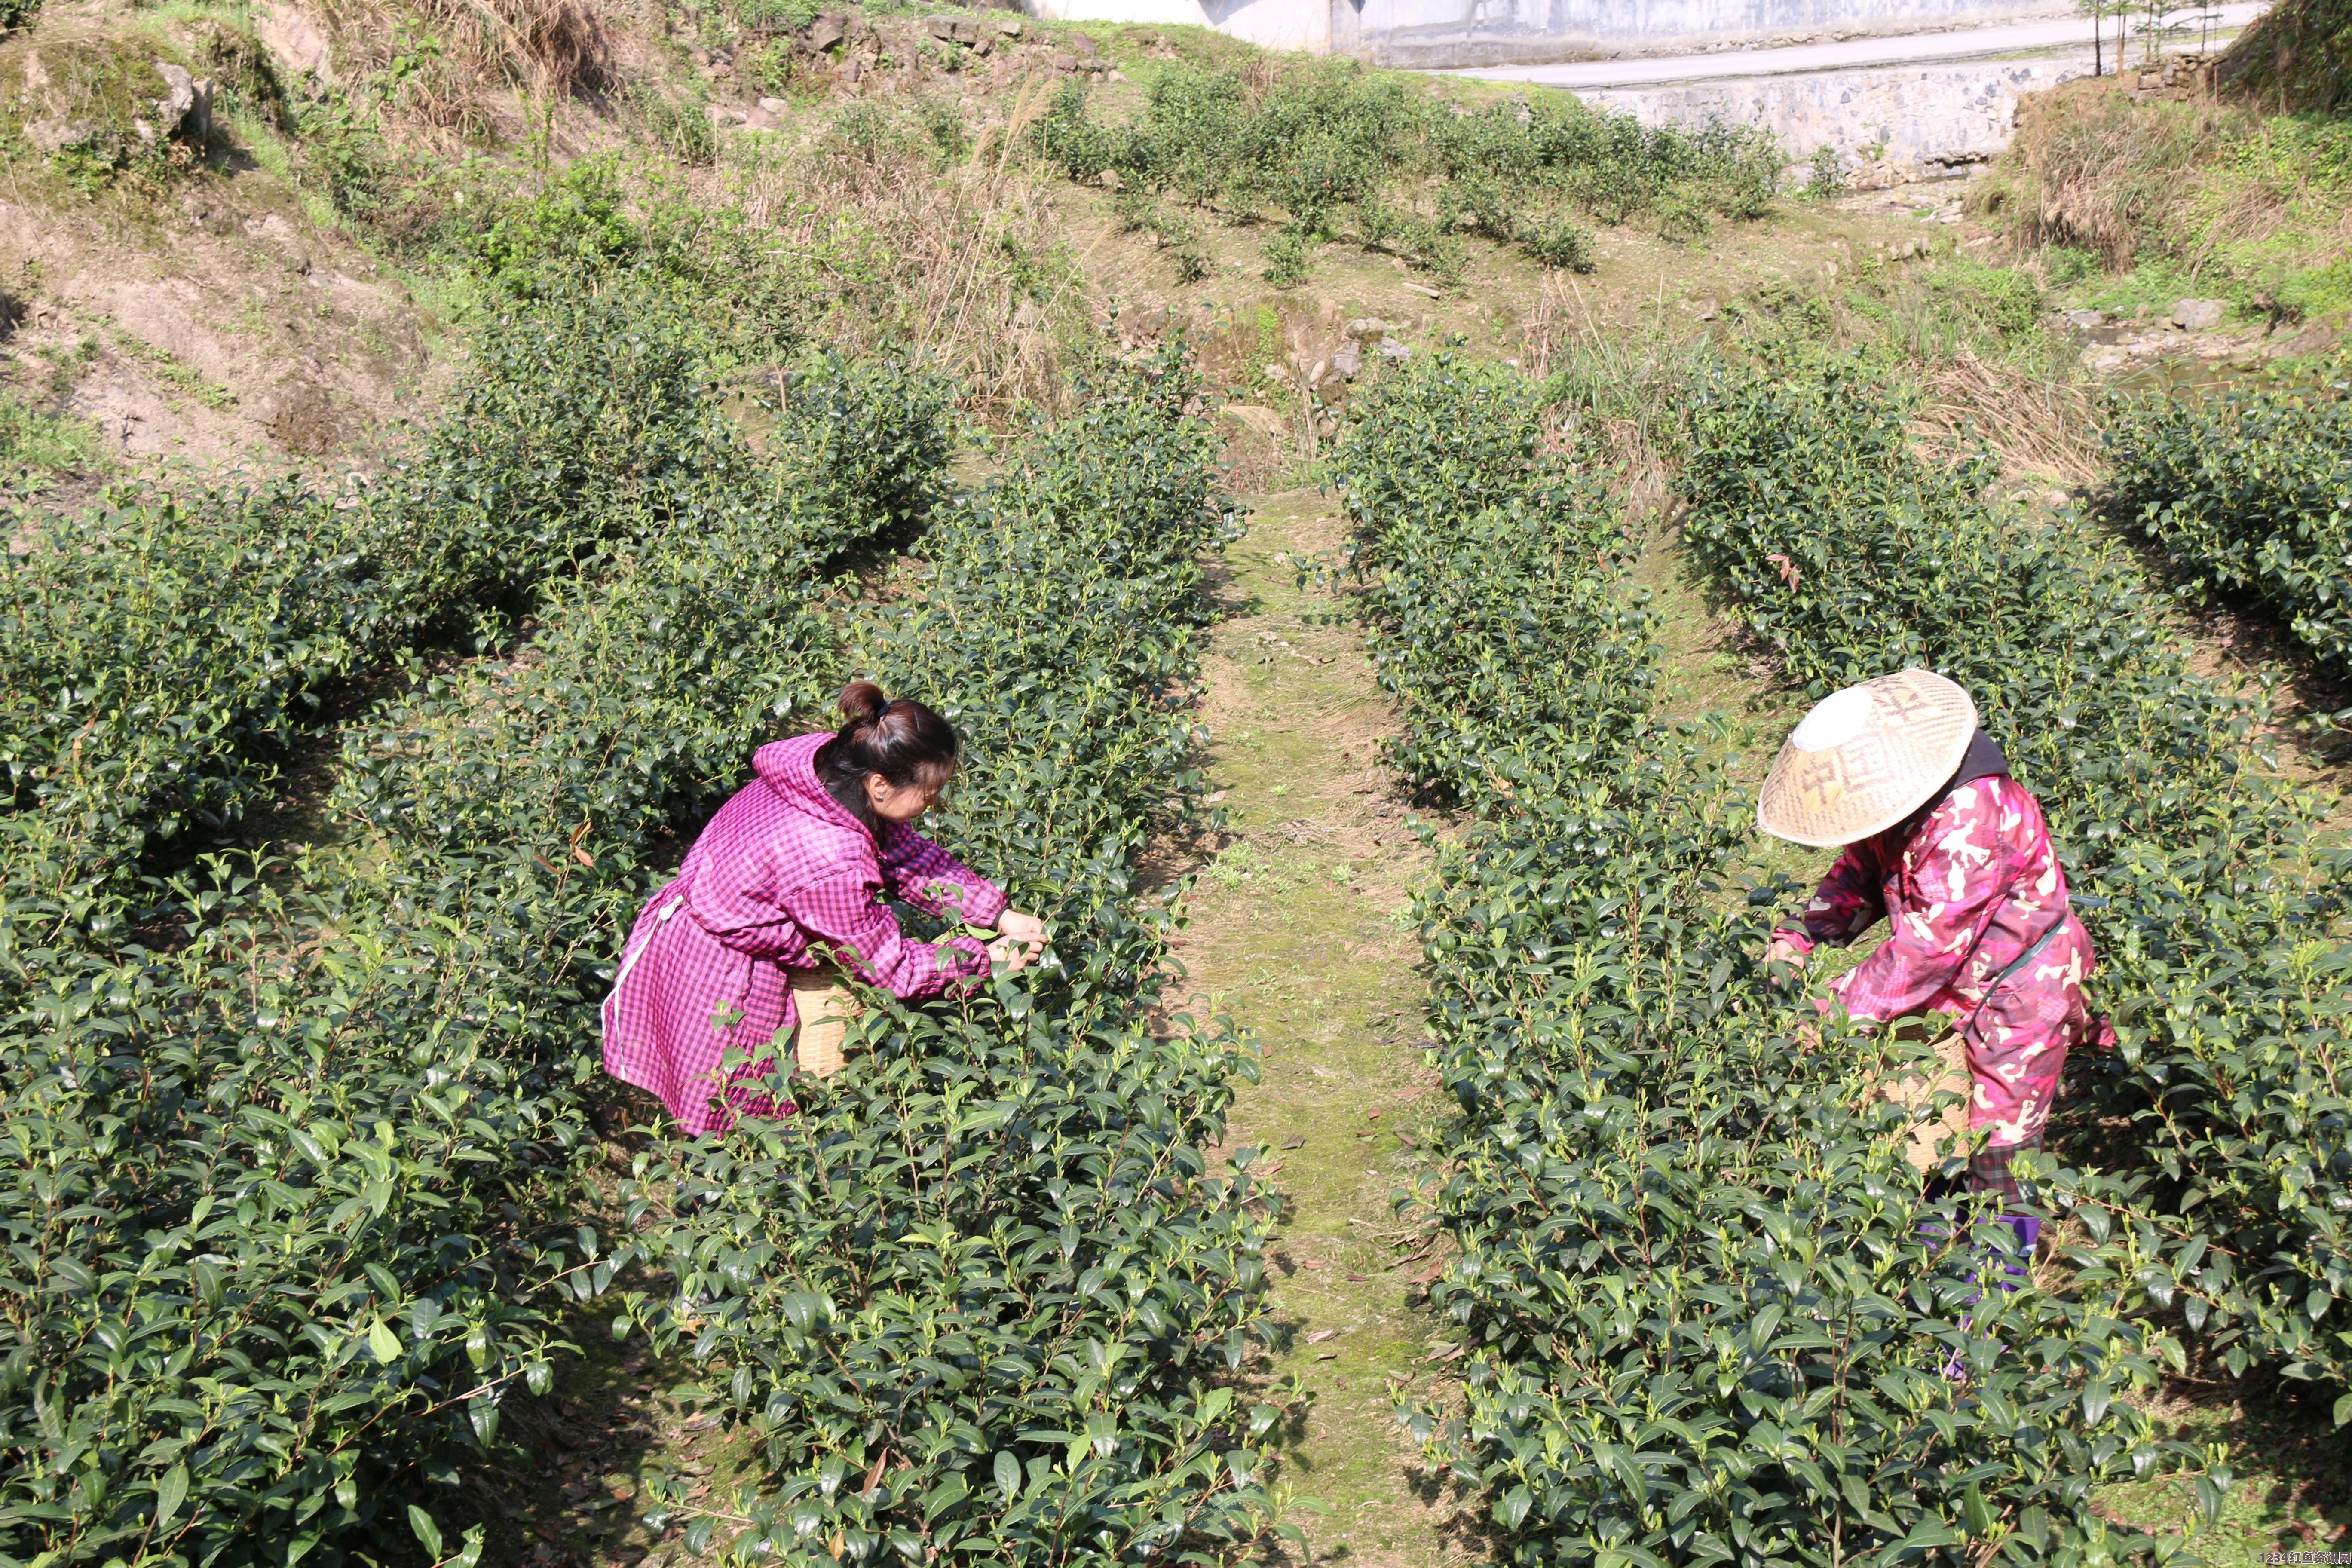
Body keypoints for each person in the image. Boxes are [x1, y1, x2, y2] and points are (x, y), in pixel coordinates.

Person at [602, 681, 1047, 1135]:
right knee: (743, 1119)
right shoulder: (832, 858)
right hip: (720, 975)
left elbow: (903, 854)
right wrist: (984, 960)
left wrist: (996, 914)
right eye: (929, 795)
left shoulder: (827, 767)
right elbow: (891, 968)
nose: (934, 806)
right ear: (879, 784)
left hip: (700, 927)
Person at [1757, 668, 2109, 1221]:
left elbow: (1925, 951)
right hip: (1959, 984)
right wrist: (1803, 934)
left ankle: (1998, 1283)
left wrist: (1829, 1014)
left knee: (2002, 1144)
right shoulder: (1902, 801)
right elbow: (1861, 874)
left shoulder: (1972, 817)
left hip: (2019, 990)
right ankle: (1932, 1245)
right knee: (1925, 1123)